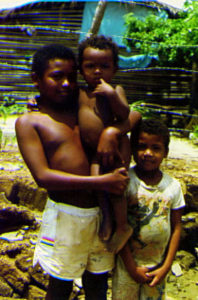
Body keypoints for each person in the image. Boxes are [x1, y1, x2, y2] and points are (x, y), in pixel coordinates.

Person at [15, 44, 130, 300]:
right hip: (67, 216)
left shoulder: (84, 104)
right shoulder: (30, 121)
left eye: (71, 76)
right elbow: (43, 177)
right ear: (36, 79)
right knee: (59, 286)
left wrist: (112, 132)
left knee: (98, 282)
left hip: (102, 213)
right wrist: (101, 182)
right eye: (56, 77)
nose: (66, 83)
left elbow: (135, 115)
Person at [78, 35, 141, 253]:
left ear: (114, 70)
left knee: (116, 185)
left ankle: (122, 226)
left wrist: (111, 95)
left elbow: (125, 113)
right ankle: (106, 217)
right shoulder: (79, 94)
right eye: (90, 66)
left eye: (104, 66)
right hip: (95, 153)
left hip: (116, 147)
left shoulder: (117, 90)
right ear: (81, 70)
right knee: (97, 181)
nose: (97, 71)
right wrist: (35, 102)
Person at [112, 118, 185, 300]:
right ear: (132, 150)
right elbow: (118, 226)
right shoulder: (126, 182)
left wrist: (166, 267)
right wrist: (131, 268)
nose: (148, 153)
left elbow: (176, 227)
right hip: (127, 267)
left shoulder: (173, 187)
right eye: (141, 146)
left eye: (156, 148)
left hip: (158, 267)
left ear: (166, 152)